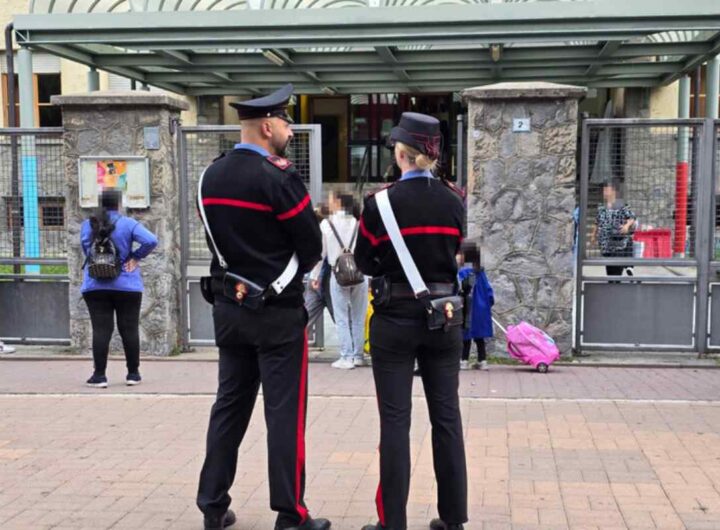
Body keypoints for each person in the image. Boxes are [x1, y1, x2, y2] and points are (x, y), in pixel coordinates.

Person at [195, 84, 331, 530]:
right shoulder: (279, 178)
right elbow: (311, 248)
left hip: (229, 312)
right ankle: (291, 515)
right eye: (287, 123)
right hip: (277, 315)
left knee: (229, 408)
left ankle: (212, 506)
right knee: (284, 415)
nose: (290, 131)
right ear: (268, 126)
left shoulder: (209, 176)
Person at [355, 112, 468, 530]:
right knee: (447, 419)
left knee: (395, 423)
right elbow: (459, 250)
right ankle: (453, 519)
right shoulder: (454, 199)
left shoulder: (380, 203)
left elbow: (365, 260)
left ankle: (394, 523)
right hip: (444, 317)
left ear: (401, 154)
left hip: (394, 320)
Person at [80, 187, 158, 388]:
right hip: (127, 284)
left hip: (95, 285)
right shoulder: (128, 223)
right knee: (129, 328)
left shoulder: (88, 225)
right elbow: (151, 240)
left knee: (101, 329)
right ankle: (133, 374)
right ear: (119, 204)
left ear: (100, 203)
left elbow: (85, 248)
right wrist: (135, 257)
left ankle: (99, 376)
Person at [311, 192, 368, 369]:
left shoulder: (327, 224)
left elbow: (321, 255)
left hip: (338, 274)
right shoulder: (359, 223)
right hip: (360, 273)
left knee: (342, 316)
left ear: (338, 202)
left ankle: (346, 356)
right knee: (359, 316)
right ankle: (358, 356)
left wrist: (315, 276)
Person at [457, 242, 494, 371]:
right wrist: (489, 303)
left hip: (468, 309)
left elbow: (461, 289)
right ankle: (482, 361)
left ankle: (464, 361)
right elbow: (489, 291)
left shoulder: (463, 272)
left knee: (466, 336)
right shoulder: (480, 272)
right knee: (479, 337)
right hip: (481, 309)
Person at [591, 179, 637, 277]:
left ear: (613, 191)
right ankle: (615, 282)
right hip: (606, 245)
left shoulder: (621, 205)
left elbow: (632, 217)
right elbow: (596, 222)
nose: (604, 192)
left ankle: (628, 267)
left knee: (616, 272)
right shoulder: (602, 208)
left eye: (606, 190)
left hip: (617, 243)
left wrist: (626, 226)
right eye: (604, 190)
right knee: (610, 272)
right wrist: (593, 236)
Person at [304, 203, 334, 329]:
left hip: (315, 280)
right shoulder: (333, 231)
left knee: (304, 321)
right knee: (343, 322)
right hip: (329, 281)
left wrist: (314, 277)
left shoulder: (315, 234)